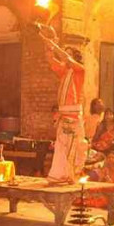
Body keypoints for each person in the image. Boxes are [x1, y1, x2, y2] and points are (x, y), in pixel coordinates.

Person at [44, 41, 87, 183]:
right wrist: (47, 44)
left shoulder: (80, 70)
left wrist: (56, 46)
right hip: (64, 115)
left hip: (74, 116)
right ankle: (59, 176)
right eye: (66, 53)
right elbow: (50, 59)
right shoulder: (64, 71)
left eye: (70, 54)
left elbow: (67, 60)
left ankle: (72, 176)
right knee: (61, 147)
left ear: (75, 57)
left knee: (74, 148)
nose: (66, 57)